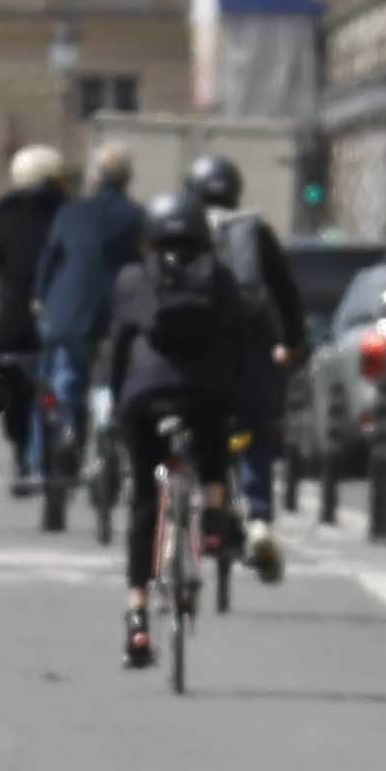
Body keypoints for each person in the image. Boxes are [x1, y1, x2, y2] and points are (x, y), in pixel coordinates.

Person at [101, 189, 259, 670]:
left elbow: (119, 346)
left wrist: (117, 399)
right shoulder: (220, 279)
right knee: (213, 451)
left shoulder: (133, 279)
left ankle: (137, 619)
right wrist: (237, 404)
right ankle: (213, 516)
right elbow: (239, 344)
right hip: (204, 391)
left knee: (144, 505)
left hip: (144, 396)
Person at [186, 151, 304, 581]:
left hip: (198, 358)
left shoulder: (182, 233)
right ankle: (259, 520)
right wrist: (291, 345)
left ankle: (204, 501)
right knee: (257, 430)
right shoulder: (255, 231)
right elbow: (287, 294)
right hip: (252, 353)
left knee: (193, 428)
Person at [27, 141, 146, 501]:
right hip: (119, 312)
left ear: (95, 176)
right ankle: (114, 437)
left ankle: (67, 430)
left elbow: (50, 261)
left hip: (68, 311)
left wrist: (40, 298)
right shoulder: (135, 215)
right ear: (127, 178)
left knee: (66, 378)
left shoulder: (71, 212)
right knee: (118, 377)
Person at [0, 146, 69, 499]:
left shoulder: (7, 214)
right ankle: (66, 446)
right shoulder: (66, 213)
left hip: (13, 324)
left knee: (8, 387)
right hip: (58, 317)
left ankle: (21, 457)